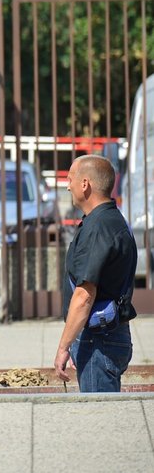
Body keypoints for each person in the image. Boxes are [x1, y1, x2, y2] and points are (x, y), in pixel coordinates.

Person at [54, 154, 138, 392]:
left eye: (70, 179)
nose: (67, 185)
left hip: (99, 341)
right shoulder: (111, 219)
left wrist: (63, 347)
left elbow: (84, 296)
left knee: (99, 418)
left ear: (85, 184)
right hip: (107, 336)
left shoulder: (99, 228)